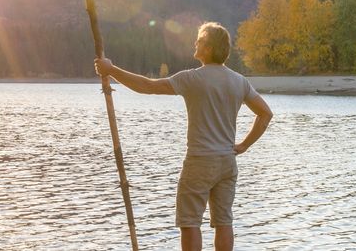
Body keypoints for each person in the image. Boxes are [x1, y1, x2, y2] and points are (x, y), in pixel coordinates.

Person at [94, 22, 272, 251]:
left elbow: (147, 86)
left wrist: (112, 70)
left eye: (199, 40)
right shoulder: (239, 81)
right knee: (224, 221)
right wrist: (244, 146)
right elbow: (265, 114)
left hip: (200, 161)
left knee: (189, 222)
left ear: (207, 48)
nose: (195, 43)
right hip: (227, 162)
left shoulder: (192, 78)